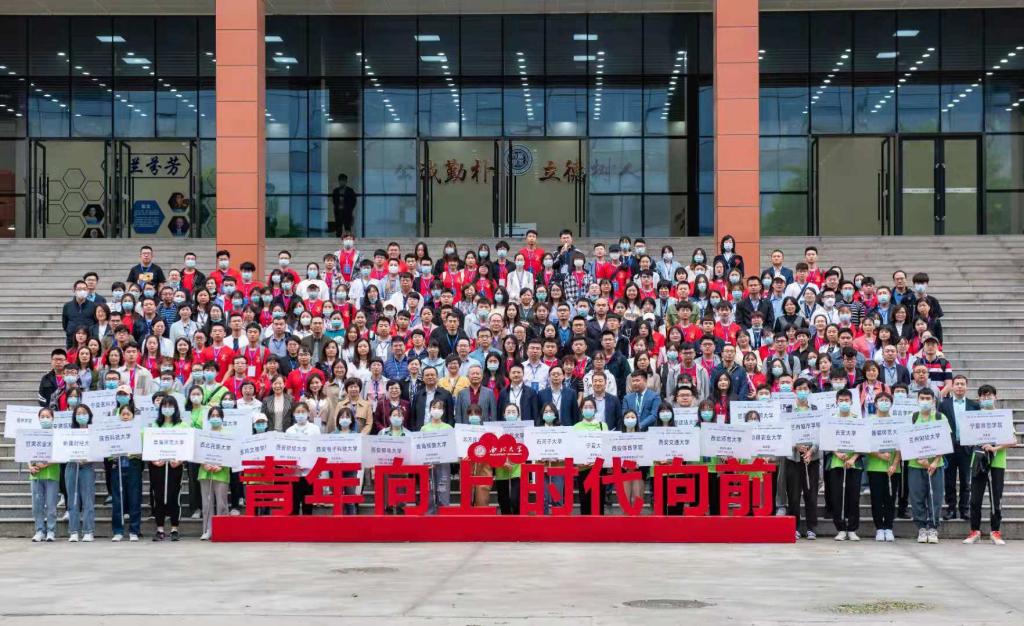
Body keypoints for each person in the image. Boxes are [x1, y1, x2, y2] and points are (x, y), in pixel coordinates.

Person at [963, 384, 1011, 545]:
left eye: (989, 395)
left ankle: (995, 531)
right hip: (978, 461)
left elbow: (1013, 440)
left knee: (996, 498)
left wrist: (994, 447)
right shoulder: (973, 418)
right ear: (979, 399)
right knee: (975, 499)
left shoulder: (1002, 417)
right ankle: (974, 531)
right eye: (983, 396)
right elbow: (966, 438)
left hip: (997, 463)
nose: (986, 398)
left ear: (995, 397)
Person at [907, 388, 949, 544]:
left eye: (928, 398)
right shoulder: (912, 418)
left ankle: (933, 527)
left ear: (933, 401)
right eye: (922, 398)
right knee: (917, 497)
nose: (925, 401)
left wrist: (935, 461)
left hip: (936, 465)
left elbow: (945, 441)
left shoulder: (940, 417)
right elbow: (906, 441)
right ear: (917, 400)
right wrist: (919, 459)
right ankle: (921, 528)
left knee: (935, 496)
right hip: (915, 464)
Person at [938, 374, 978, 521]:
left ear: (966, 387)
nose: (960, 386)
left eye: (962, 384)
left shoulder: (974, 405)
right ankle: (951, 509)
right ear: (952, 386)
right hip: (949, 447)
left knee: (966, 481)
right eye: (957, 384)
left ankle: (964, 509)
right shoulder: (944, 405)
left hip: (967, 448)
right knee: (949, 481)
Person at [150, 395, 188, 542]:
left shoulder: (182, 426)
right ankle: (159, 529)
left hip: (175, 466)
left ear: (175, 408)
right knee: (158, 496)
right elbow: (149, 445)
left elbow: (187, 446)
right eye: (164, 406)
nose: (167, 408)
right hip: (158, 466)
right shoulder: (155, 425)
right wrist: (154, 460)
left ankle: (174, 528)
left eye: (170, 406)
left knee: (174, 496)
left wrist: (180, 460)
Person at [828, 389, 863, 541]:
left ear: (851, 402)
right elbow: (827, 440)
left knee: (853, 497)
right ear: (836, 402)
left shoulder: (857, 420)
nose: (844, 403)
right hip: (837, 463)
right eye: (841, 400)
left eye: (846, 400)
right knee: (837, 497)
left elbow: (863, 442)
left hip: (854, 464)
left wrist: (853, 458)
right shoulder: (831, 420)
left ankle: (852, 529)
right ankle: (841, 528)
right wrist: (837, 453)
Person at [866, 392, 900, 542]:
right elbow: (865, 444)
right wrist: (879, 455)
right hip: (875, 467)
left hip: (893, 468)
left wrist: (894, 464)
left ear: (891, 404)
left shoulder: (896, 422)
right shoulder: (870, 421)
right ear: (875, 403)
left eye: (887, 400)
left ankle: (889, 528)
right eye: (881, 400)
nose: (884, 402)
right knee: (877, 499)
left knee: (890, 499)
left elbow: (900, 447)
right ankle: (879, 528)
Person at [109, 402, 143, 542]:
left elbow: (144, 450)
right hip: (117, 464)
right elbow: (107, 450)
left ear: (133, 416)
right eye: (123, 414)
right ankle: (118, 531)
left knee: (134, 498)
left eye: (128, 414)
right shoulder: (113, 431)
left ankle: (134, 530)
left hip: (133, 465)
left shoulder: (140, 431)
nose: (125, 416)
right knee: (117, 499)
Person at [198, 406, 231, 541]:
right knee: (207, 503)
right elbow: (198, 452)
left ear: (222, 418)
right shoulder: (204, 434)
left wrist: (221, 465)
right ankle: (207, 530)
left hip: (221, 471)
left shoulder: (228, 434)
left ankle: (222, 529)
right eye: (213, 416)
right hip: (205, 471)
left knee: (222, 503)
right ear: (209, 418)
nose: (215, 418)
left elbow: (231, 454)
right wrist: (204, 464)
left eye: (218, 416)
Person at [66, 403, 97, 542]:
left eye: (84, 413)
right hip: (72, 466)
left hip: (87, 467)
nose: (81, 415)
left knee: (88, 500)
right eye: (78, 413)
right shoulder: (69, 433)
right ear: (74, 416)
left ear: (89, 415)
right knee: (72, 500)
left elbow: (99, 451)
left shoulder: (94, 432)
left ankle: (88, 531)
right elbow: (63, 451)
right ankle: (73, 531)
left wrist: (88, 458)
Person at [28, 408, 60, 542]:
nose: (45, 419)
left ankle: (51, 531)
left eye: (48, 416)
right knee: (37, 505)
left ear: (53, 418)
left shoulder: (57, 435)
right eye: (42, 416)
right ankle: (39, 530)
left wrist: (46, 464)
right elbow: (26, 453)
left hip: (52, 474)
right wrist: (30, 467)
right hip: (36, 475)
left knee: (51, 505)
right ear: (38, 418)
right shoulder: (33, 435)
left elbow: (61, 455)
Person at [573, 398, 608, 515]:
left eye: (591, 407)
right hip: (583, 468)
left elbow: (607, 447)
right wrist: (578, 462)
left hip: (599, 469)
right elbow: (573, 449)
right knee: (585, 501)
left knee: (599, 500)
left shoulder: (603, 426)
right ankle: (585, 525)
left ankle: (599, 525)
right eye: (585, 407)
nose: (588, 409)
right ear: (581, 410)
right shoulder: (576, 427)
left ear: (595, 410)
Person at [420, 399, 454, 513]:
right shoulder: (424, 428)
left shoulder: (448, 428)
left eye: (439, 408)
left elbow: (452, 448)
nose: (436, 410)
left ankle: (444, 516)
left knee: (443, 490)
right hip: (428, 465)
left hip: (443, 465)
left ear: (443, 411)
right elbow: (420, 448)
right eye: (434, 407)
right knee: (429, 490)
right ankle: (429, 516)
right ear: (430, 410)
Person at [286, 404, 320, 515]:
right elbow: (286, 451)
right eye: (298, 412)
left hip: (309, 472)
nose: (300, 414)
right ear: (294, 414)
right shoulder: (289, 431)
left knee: (308, 505)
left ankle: (308, 525)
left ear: (308, 413)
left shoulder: (315, 429)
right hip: (294, 473)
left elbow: (318, 449)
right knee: (293, 505)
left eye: (303, 411)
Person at [332, 173, 358, 237]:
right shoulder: (336, 191)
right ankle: (338, 241)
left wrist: (349, 209)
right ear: (339, 181)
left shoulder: (350, 190)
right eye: (340, 181)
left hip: (347, 212)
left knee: (347, 229)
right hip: (338, 212)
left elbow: (354, 201)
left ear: (346, 181)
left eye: (343, 181)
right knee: (338, 229)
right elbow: (334, 201)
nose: (342, 182)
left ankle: (347, 241)